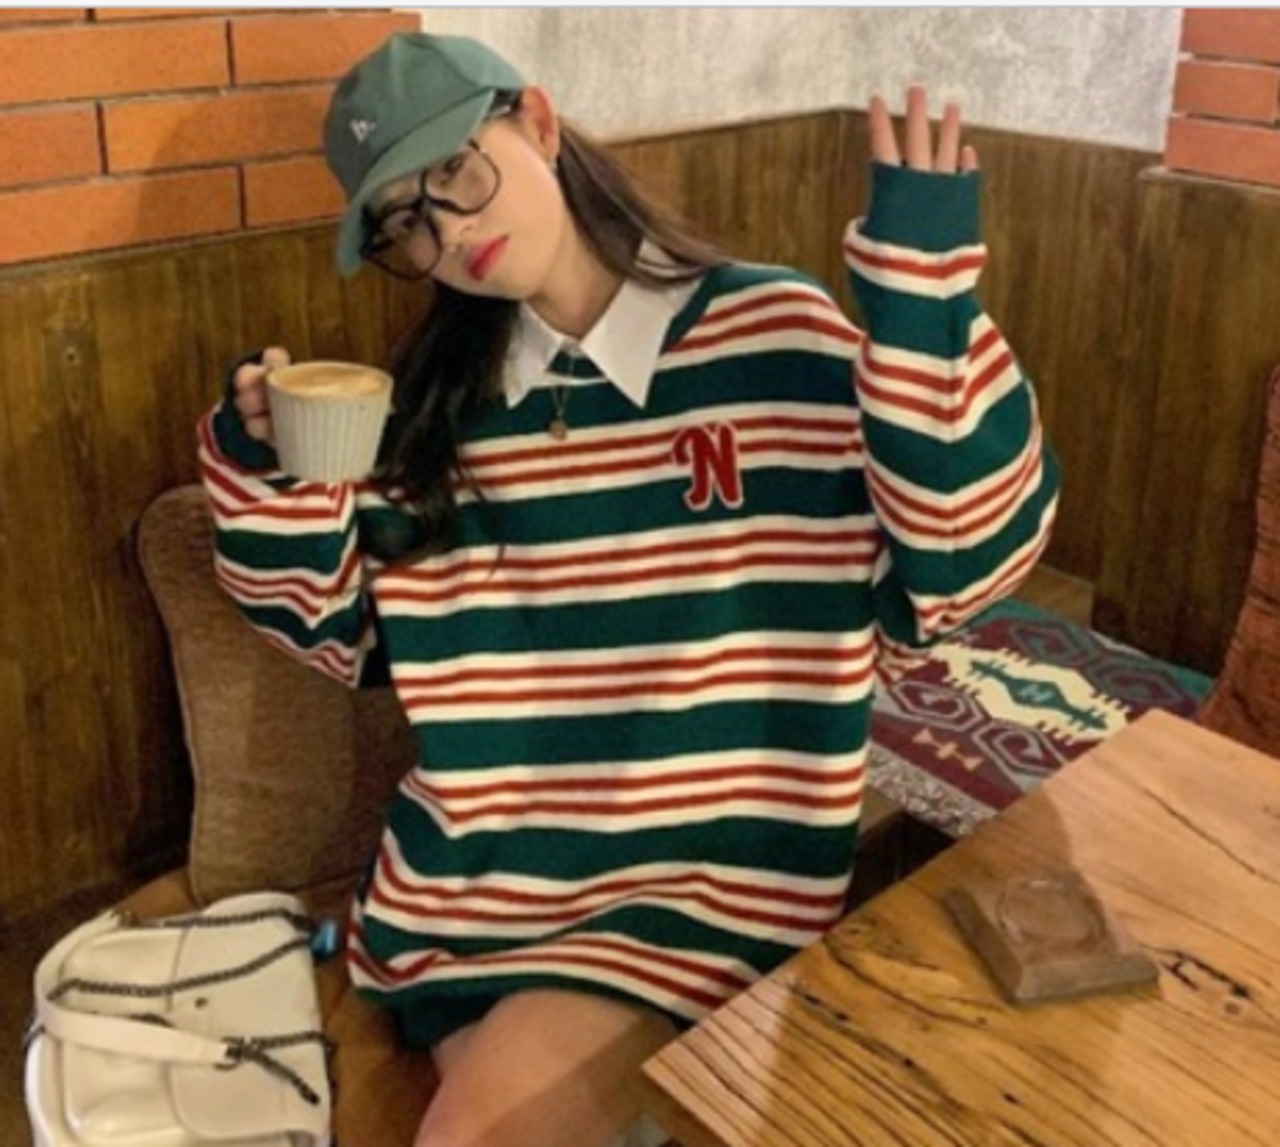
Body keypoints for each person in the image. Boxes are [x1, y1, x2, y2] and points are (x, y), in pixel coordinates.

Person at [198, 31, 1059, 1147]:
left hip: (701, 879)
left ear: (539, 123)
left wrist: (921, 309)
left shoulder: (771, 335)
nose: (447, 232)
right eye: (405, 221)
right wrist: (267, 468)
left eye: (455, 171)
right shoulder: (436, 403)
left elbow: (959, 566)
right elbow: (341, 639)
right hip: (467, 885)